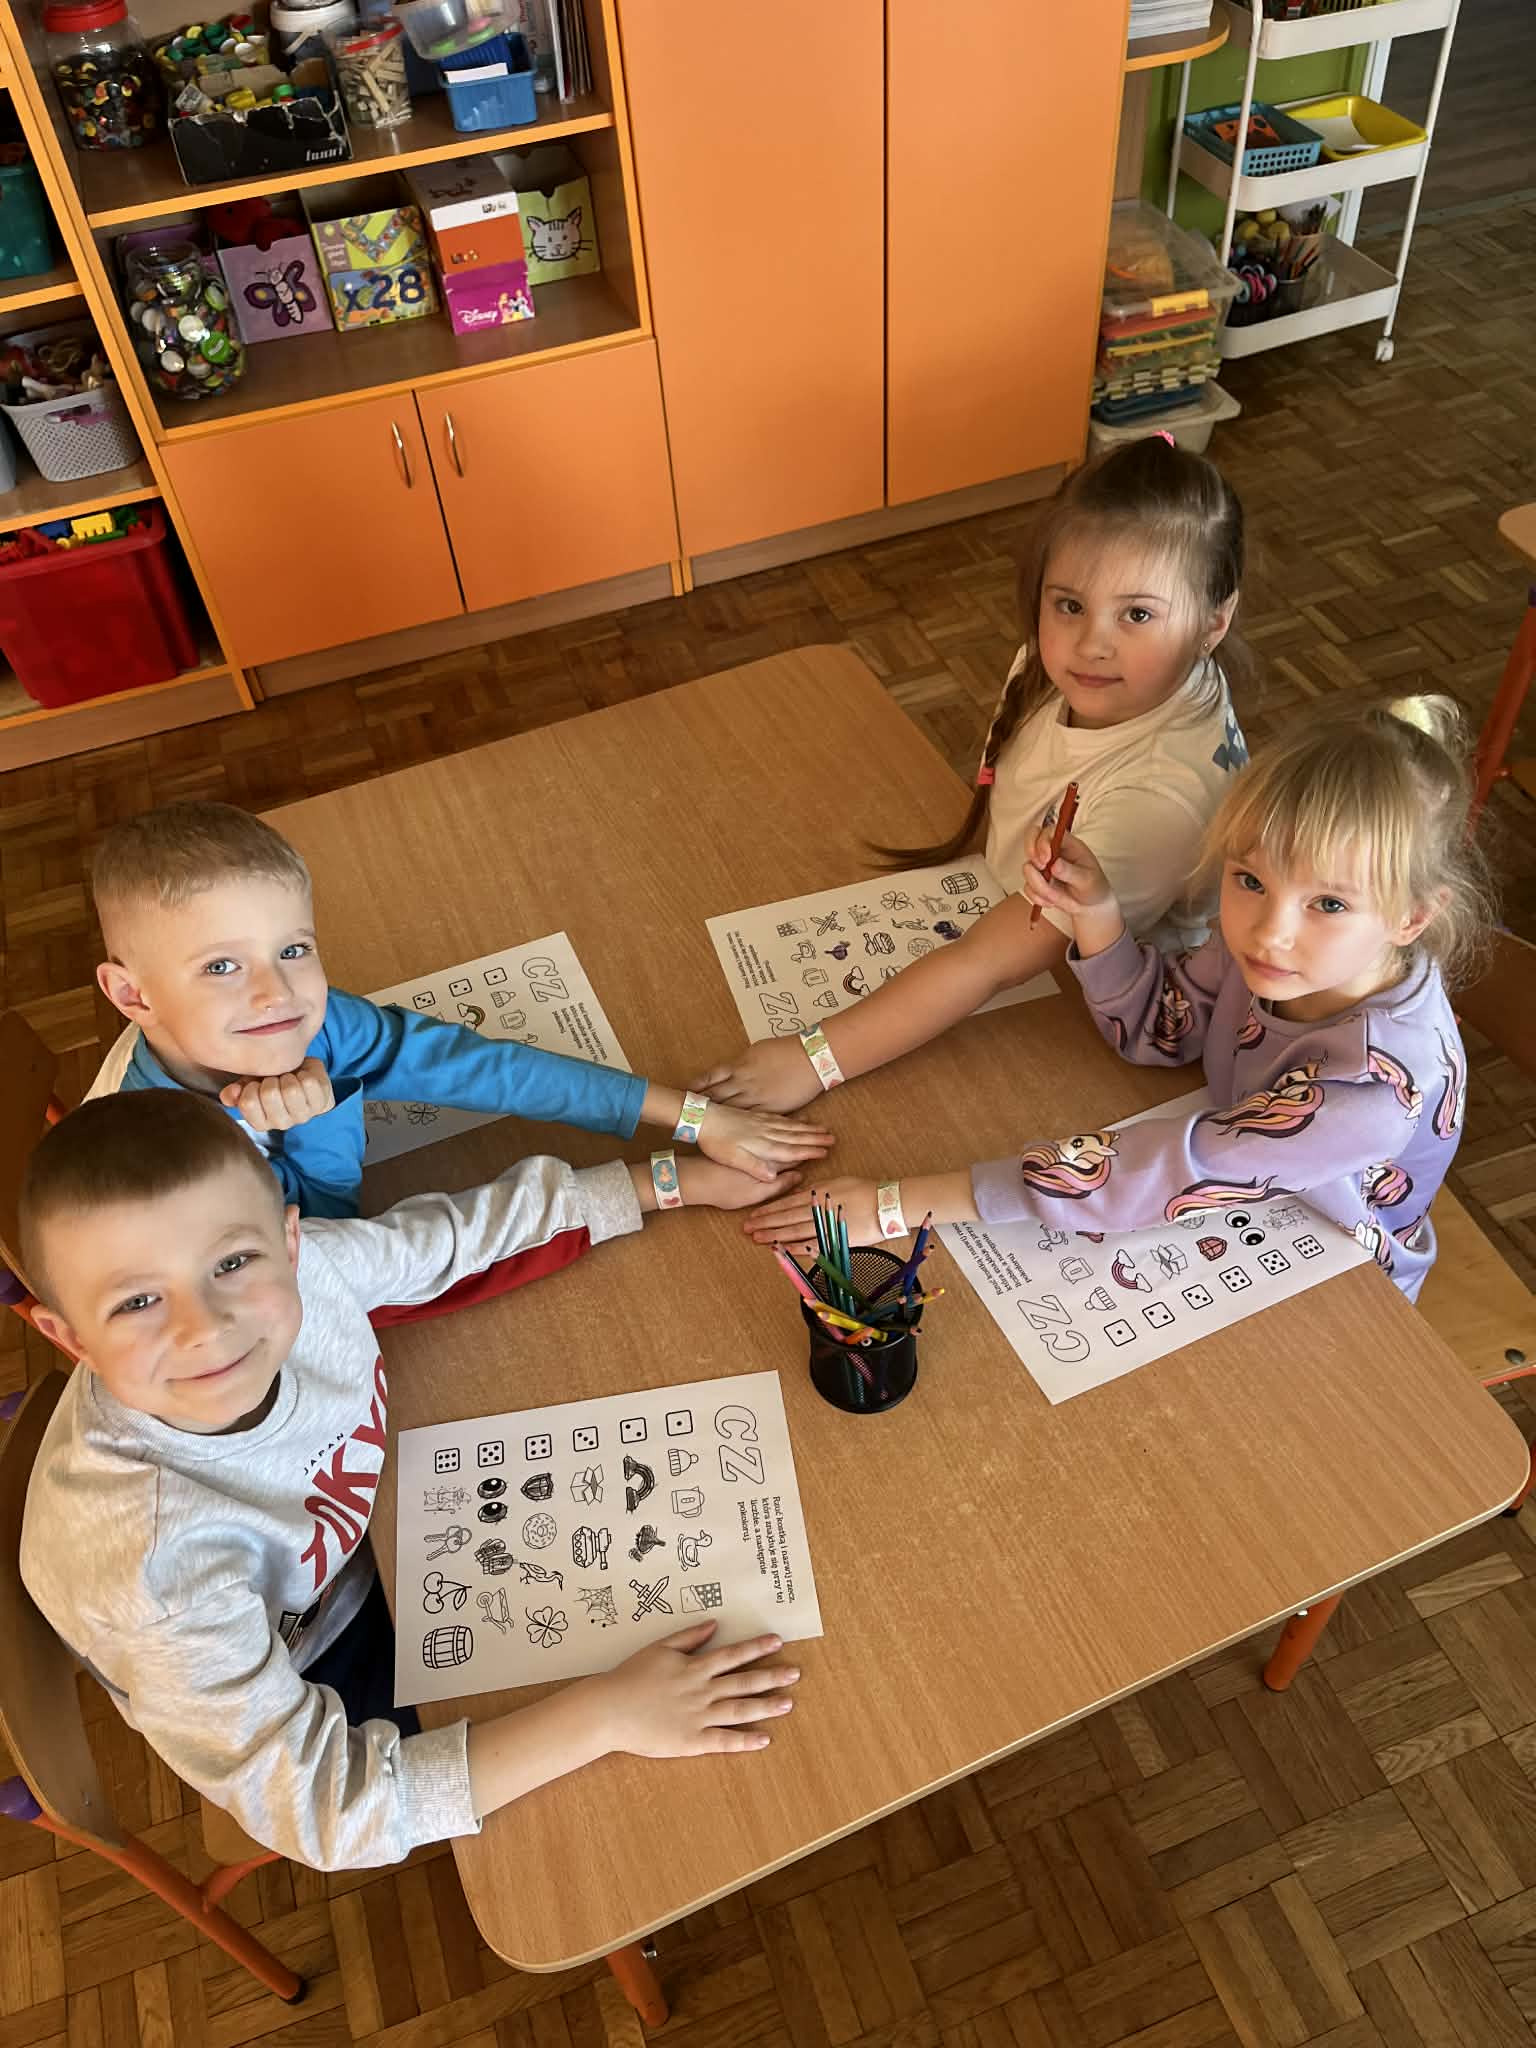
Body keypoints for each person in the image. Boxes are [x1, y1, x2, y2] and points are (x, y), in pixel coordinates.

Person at [20, 1090, 802, 1870]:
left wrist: (667, 1181)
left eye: (231, 1263)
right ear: (68, 1337)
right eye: (138, 1302)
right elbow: (324, 1810)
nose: (206, 1326)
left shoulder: (311, 1269)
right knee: (647, 1819)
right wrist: (608, 1714)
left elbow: (450, 1241)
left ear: (290, 1242)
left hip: (384, 1549)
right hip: (313, 1662)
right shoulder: (157, 1577)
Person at [744, 698, 1493, 1303]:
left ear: (1412, 919)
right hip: (1242, 1218)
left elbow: (1174, 1170)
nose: (1271, 929)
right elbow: (1166, 1030)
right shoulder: (1272, 955)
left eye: (1328, 904)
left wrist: (901, 1202)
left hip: (1342, 1282)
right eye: (1250, 880)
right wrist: (1097, 914)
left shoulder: (1370, 1092)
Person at [690, 435, 1251, 1113]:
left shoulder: (1160, 799)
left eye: (1137, 614)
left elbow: (988, 961)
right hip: (1019, 925)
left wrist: (815, 1058)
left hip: (1104, 1020)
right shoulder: (1116, 676)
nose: (1090, 644)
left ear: (1214, 623)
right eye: (1070, 604)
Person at [86, 800, 831, 1216]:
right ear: (131, 995)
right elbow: (337, 1240)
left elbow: (482, 1069)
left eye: (293, 949)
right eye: (220, 966)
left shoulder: (312, 1020)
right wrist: (319, 1114)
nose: (275, 992)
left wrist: (696, 1117)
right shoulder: (169, 1168)